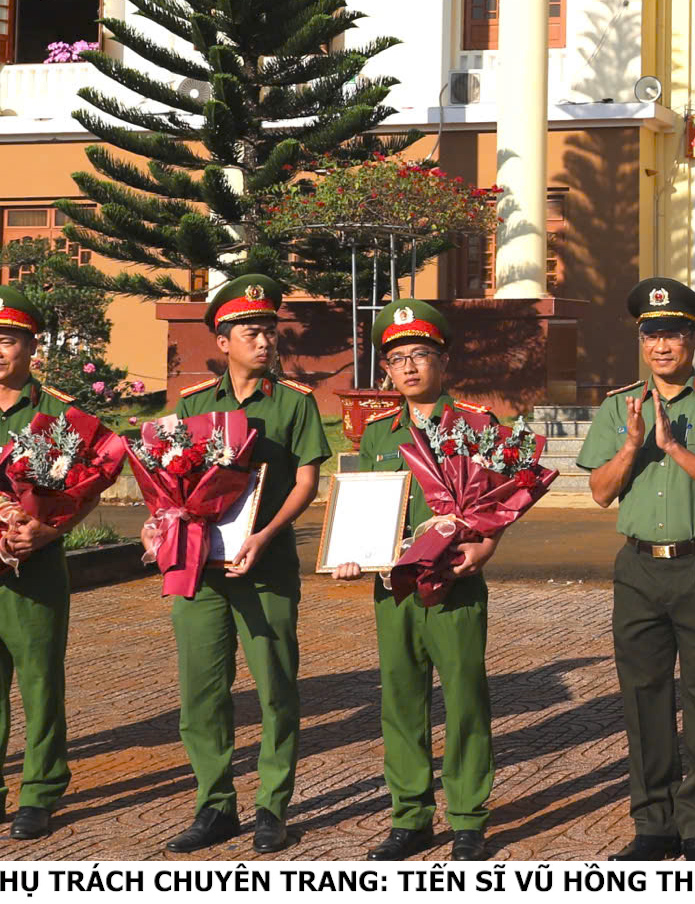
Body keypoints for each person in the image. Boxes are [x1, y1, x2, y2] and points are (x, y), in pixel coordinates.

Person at [577, 277, 695, 862]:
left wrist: (678, 449)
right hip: (638, 568)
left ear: (693, 338)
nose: (662, 346)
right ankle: (653, 825)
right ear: (642, 340)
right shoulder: (618, 406)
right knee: (643, 697)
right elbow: (599, 493)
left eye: (674, 333)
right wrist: (632, 447)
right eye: (651, 334)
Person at [144, 274, 330, 854]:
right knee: (203, 692)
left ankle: (273, 806)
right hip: (199, 572)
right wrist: (160, 527)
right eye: (250, 329)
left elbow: (307, 481)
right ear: (221, 340)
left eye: (269, 329)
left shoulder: (294, 403)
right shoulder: (195, 405)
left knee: (275, 686)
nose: (263, 338)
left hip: (266, 565)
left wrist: (267, 534)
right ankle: (214, 806)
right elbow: (167, 485)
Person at [332, 300, 501, 861]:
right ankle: (410, 815)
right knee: (401, 701)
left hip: (455, 583)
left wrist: (485, 546)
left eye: (420, 356)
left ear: (443, 361)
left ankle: (468, 817)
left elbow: (499, 502)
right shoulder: (378, 433)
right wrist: (352, 551)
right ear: (386, 370)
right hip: (393, 587)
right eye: (397, 358)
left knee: (464, 698)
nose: (408, 368)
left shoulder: (476, 425)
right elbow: (363, 506)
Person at [0, 286, 99, 841]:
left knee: (39, 685)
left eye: (8, 339)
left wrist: (51, 528)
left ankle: (38, 792)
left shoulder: (58, 415)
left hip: (33, 572)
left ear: (31, 347)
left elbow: (87, 490)